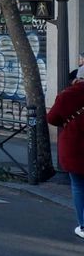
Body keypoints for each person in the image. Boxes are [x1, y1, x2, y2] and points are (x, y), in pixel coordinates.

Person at [46, 77, 84, 240]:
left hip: (75, 146)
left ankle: (83, 225)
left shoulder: (67, 95)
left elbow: (52, 118)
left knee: (78, 186)